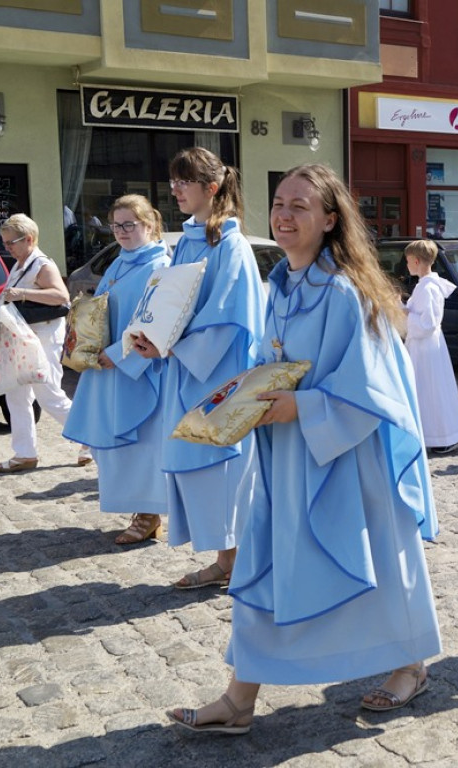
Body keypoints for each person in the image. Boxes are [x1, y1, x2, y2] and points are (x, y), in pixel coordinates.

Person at [168, 163, 441, 733]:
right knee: (265, 564)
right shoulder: (280, 286)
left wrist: (304, 407)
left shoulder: (346, 292)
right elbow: (270, 362)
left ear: (329, 219)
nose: (284, 215)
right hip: (284, 456)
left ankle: (409, 665)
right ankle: (239, 699)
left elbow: (375, 385)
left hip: (347, 458)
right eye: (279, 204)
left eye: (299, 206)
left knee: (372, 560)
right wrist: (241, 398)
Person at [132, 147, 265, 590]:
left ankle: (238, 563)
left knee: (223, 473)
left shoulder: (232, 245)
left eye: (183, 181)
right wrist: (150, 334)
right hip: (184, 373)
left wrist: (172, 346)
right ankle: (226, 560)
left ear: (211, 188)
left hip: (215, 380)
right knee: (201, 473)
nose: (174, 189)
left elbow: (229, 320)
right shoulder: (187, 239)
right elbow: (170, 302)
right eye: (173, 180)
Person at [63, 196, 171, 544]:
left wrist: (119, 354)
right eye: (116, 225)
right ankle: (137, 509)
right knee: (115, 446)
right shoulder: (119, 262)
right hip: (106, 368)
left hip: (135, 369)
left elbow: (158, 320)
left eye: (130, 225)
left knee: (141, 444)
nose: (122, 232)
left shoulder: (160, 265)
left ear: (150, 224)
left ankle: (148, 514)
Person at [0, 214, 88, 473]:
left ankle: (90, 439)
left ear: (29, 239)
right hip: (24, 341)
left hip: (42, 340)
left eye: (11, 242)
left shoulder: (42, 264)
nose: (7, 247)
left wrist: (21, 293)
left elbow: (60, 296)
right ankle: (25, 453)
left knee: (49, 396)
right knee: (16, 395)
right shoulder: (21, 263)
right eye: (5, 242)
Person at [403, 239, 458, 453]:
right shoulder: (425, 285)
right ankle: (433, 434)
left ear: (417, 260)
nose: (406, 265)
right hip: (425, 347)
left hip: (427, 348)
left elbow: (427, 323)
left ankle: (443, 436)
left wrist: (405, 314)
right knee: (428, 390)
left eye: (408, 261)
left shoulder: (428, 288)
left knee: (432, 391)